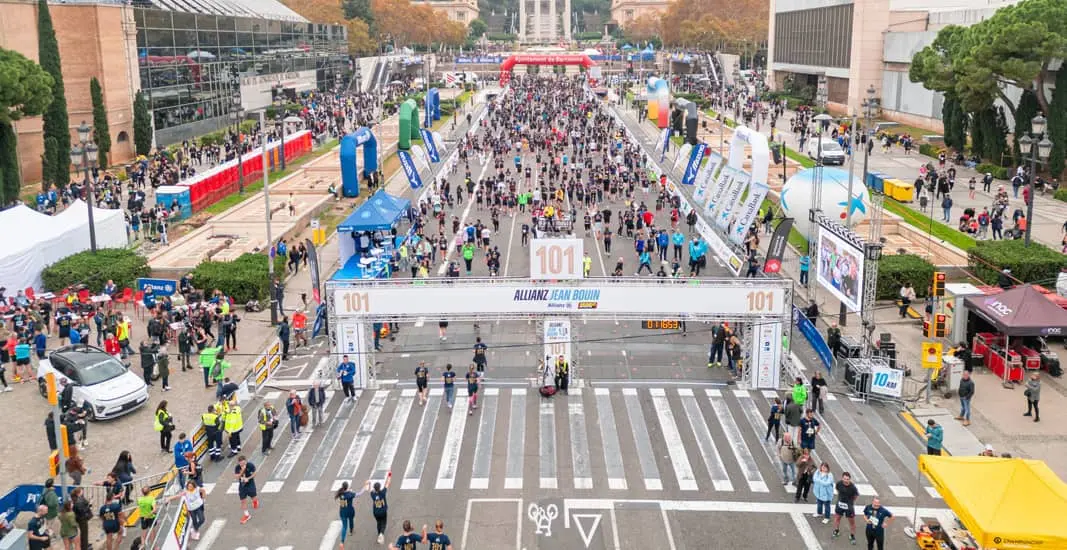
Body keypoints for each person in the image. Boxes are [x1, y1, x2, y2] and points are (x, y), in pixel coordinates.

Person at [335, 481, 365, 550]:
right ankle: (351, 531)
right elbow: (359, 494)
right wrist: (364, 488)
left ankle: (342, 542)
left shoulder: (340, 493)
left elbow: (346, 492)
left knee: (344, 527)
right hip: (350, 511)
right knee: (351, 520)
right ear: (347, 487)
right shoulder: (350, 494)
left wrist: (349, 490)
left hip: (342, 512)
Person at [832, 472, 860, 544]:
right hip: (840, 504)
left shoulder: (853, 487)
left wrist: (850, 502)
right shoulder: (839, 483)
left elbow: (856, 496)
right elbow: (837, 490)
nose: (846, 480)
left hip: (849, 507)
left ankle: (852, 535)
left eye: (847, 479)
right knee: (837, 518)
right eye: (844, 479)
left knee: (852, 522)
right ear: (842, 478)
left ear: (849, 479)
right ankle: (836, 531)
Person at [367, 472, 393, 545]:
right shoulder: (383, 493)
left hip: (375, 512)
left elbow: (369, 490)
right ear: (379, 487)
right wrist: (389, 474)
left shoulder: (373, 495)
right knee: (384, 523)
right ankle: (381, 534)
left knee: (378, 522)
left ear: (374, 488)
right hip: (383, 511)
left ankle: (379, 534)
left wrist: (369, 484)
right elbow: (388, 483)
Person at [234, 455, 258, 524]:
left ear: (246, 461)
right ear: (239, 463)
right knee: (243, 501)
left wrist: (248, 478)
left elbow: (254, 473)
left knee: (254, 497)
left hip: (250, 484)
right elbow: (236, 477)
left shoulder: (250, 465)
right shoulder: (237, 467)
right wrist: (242, 470)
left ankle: (255, 501)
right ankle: (246, 515)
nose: (243, 464)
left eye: (244, 463)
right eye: (241, 463)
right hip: (242, 485)